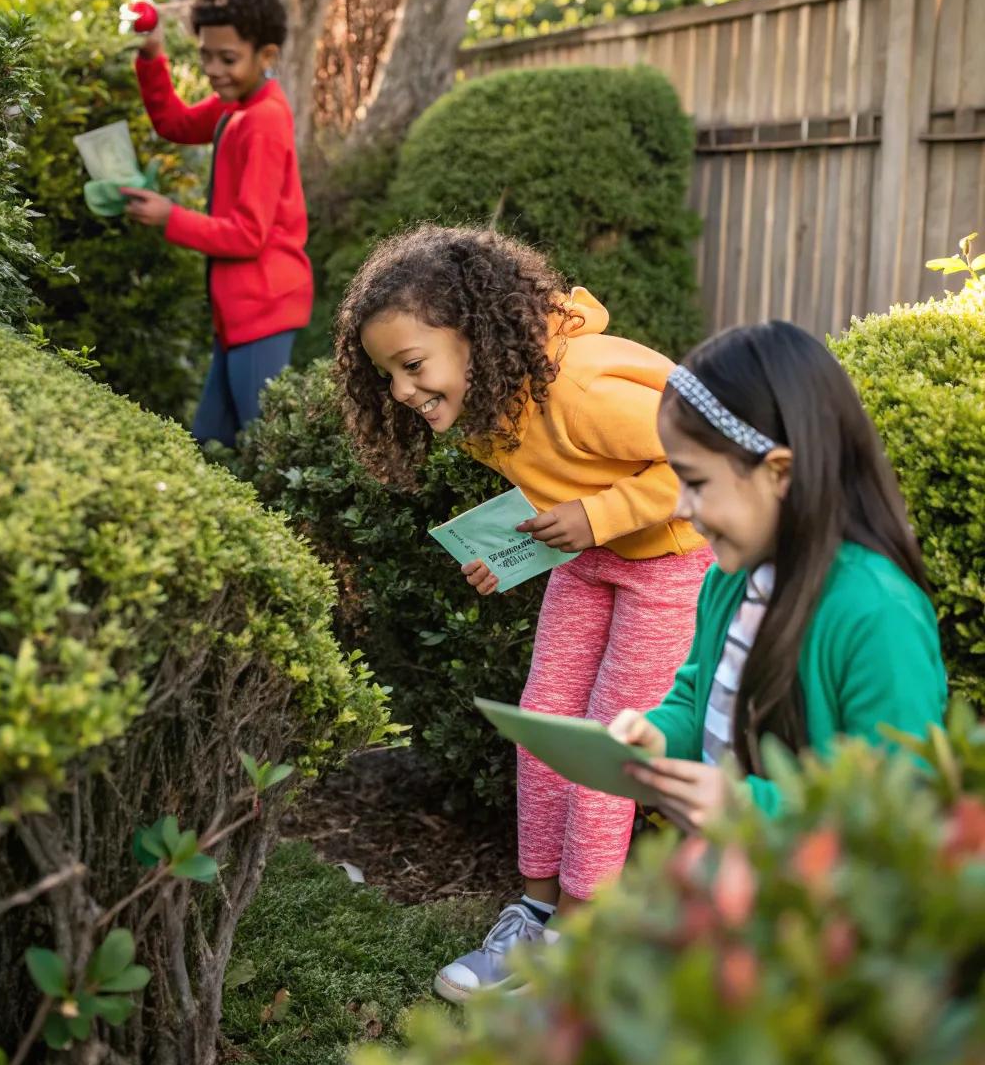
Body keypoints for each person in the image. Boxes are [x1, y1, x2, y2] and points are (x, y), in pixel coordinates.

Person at [335, 225, 712, 1003]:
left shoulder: (580, 388)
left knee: (605, 747)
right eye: (389, 376)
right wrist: (515, 549)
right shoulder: (491, 404)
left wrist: (597, 517)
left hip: (674, 565)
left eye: (413, 366)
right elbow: (561, 483)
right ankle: (537, 906)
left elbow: (708, 461)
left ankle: (578, 934)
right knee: (544, 724)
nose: (402, 391)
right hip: (592, 563)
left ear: (474, 336)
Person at [609, 320, 947, 827]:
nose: (681, 506)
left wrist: (748, 809)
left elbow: (901, 807)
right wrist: (656, 736)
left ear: (780, 473)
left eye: (697, 481)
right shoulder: (727, 581)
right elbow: (698, 695)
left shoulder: (877, 614)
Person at [122, 0, 313, 447]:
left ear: (266, 56)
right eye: (205, 54)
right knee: (210, 439)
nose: (213, 69)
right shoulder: (237, 104)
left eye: (227, 58)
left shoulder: (263, 120)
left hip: (263, 309)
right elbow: (174, 122)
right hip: (238, 312)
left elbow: (249, 234)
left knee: (263, 449)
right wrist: (151, 54)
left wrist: (171, 217)